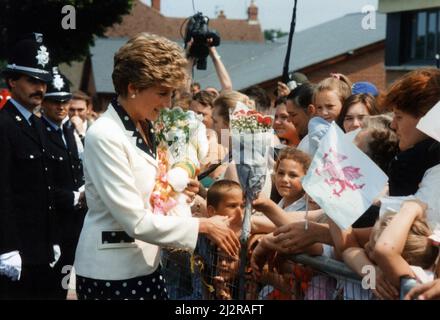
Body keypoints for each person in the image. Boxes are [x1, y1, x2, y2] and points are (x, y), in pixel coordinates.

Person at [73, 33, 239, 300]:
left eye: (172, 94)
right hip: (113, 273)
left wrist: (179, 189)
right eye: (162, 93)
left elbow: (154, 188)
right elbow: (134, 220)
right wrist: (203, 226)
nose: (167, 103)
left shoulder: (147, 124)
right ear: (132, 87)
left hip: (146, 264)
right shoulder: (106, 134)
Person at [0, 33, 60, 299]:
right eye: (32, 80)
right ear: (11, 80)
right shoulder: (3, 125)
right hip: (16, 250)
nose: (41, 88)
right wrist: (6, 247)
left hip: (42, 248)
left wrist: (53, 237)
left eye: (44, 82)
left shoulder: (38, 125)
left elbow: (46, 186)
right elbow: (2, 191)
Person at [40, 67, 87, 299]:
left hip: (74, 220)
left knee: (66, 282)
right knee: (50, 284)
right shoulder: (39, 132)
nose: (61, 107)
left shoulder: (68, 130)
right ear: (43, 103)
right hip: (52, 220)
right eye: (53, 101)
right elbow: (39, 184)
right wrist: (75, 197)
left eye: (64, 101)